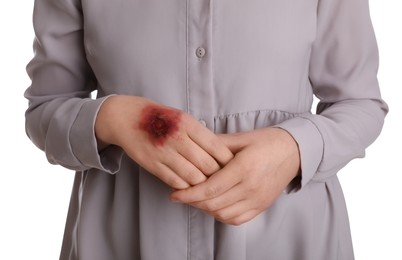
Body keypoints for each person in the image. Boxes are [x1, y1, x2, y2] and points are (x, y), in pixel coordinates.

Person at [24, 0, 388, 259]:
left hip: (288, 239)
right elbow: (45, 108)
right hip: (121, 241)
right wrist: (114, 119)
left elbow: (360, 104)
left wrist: (294, 148)